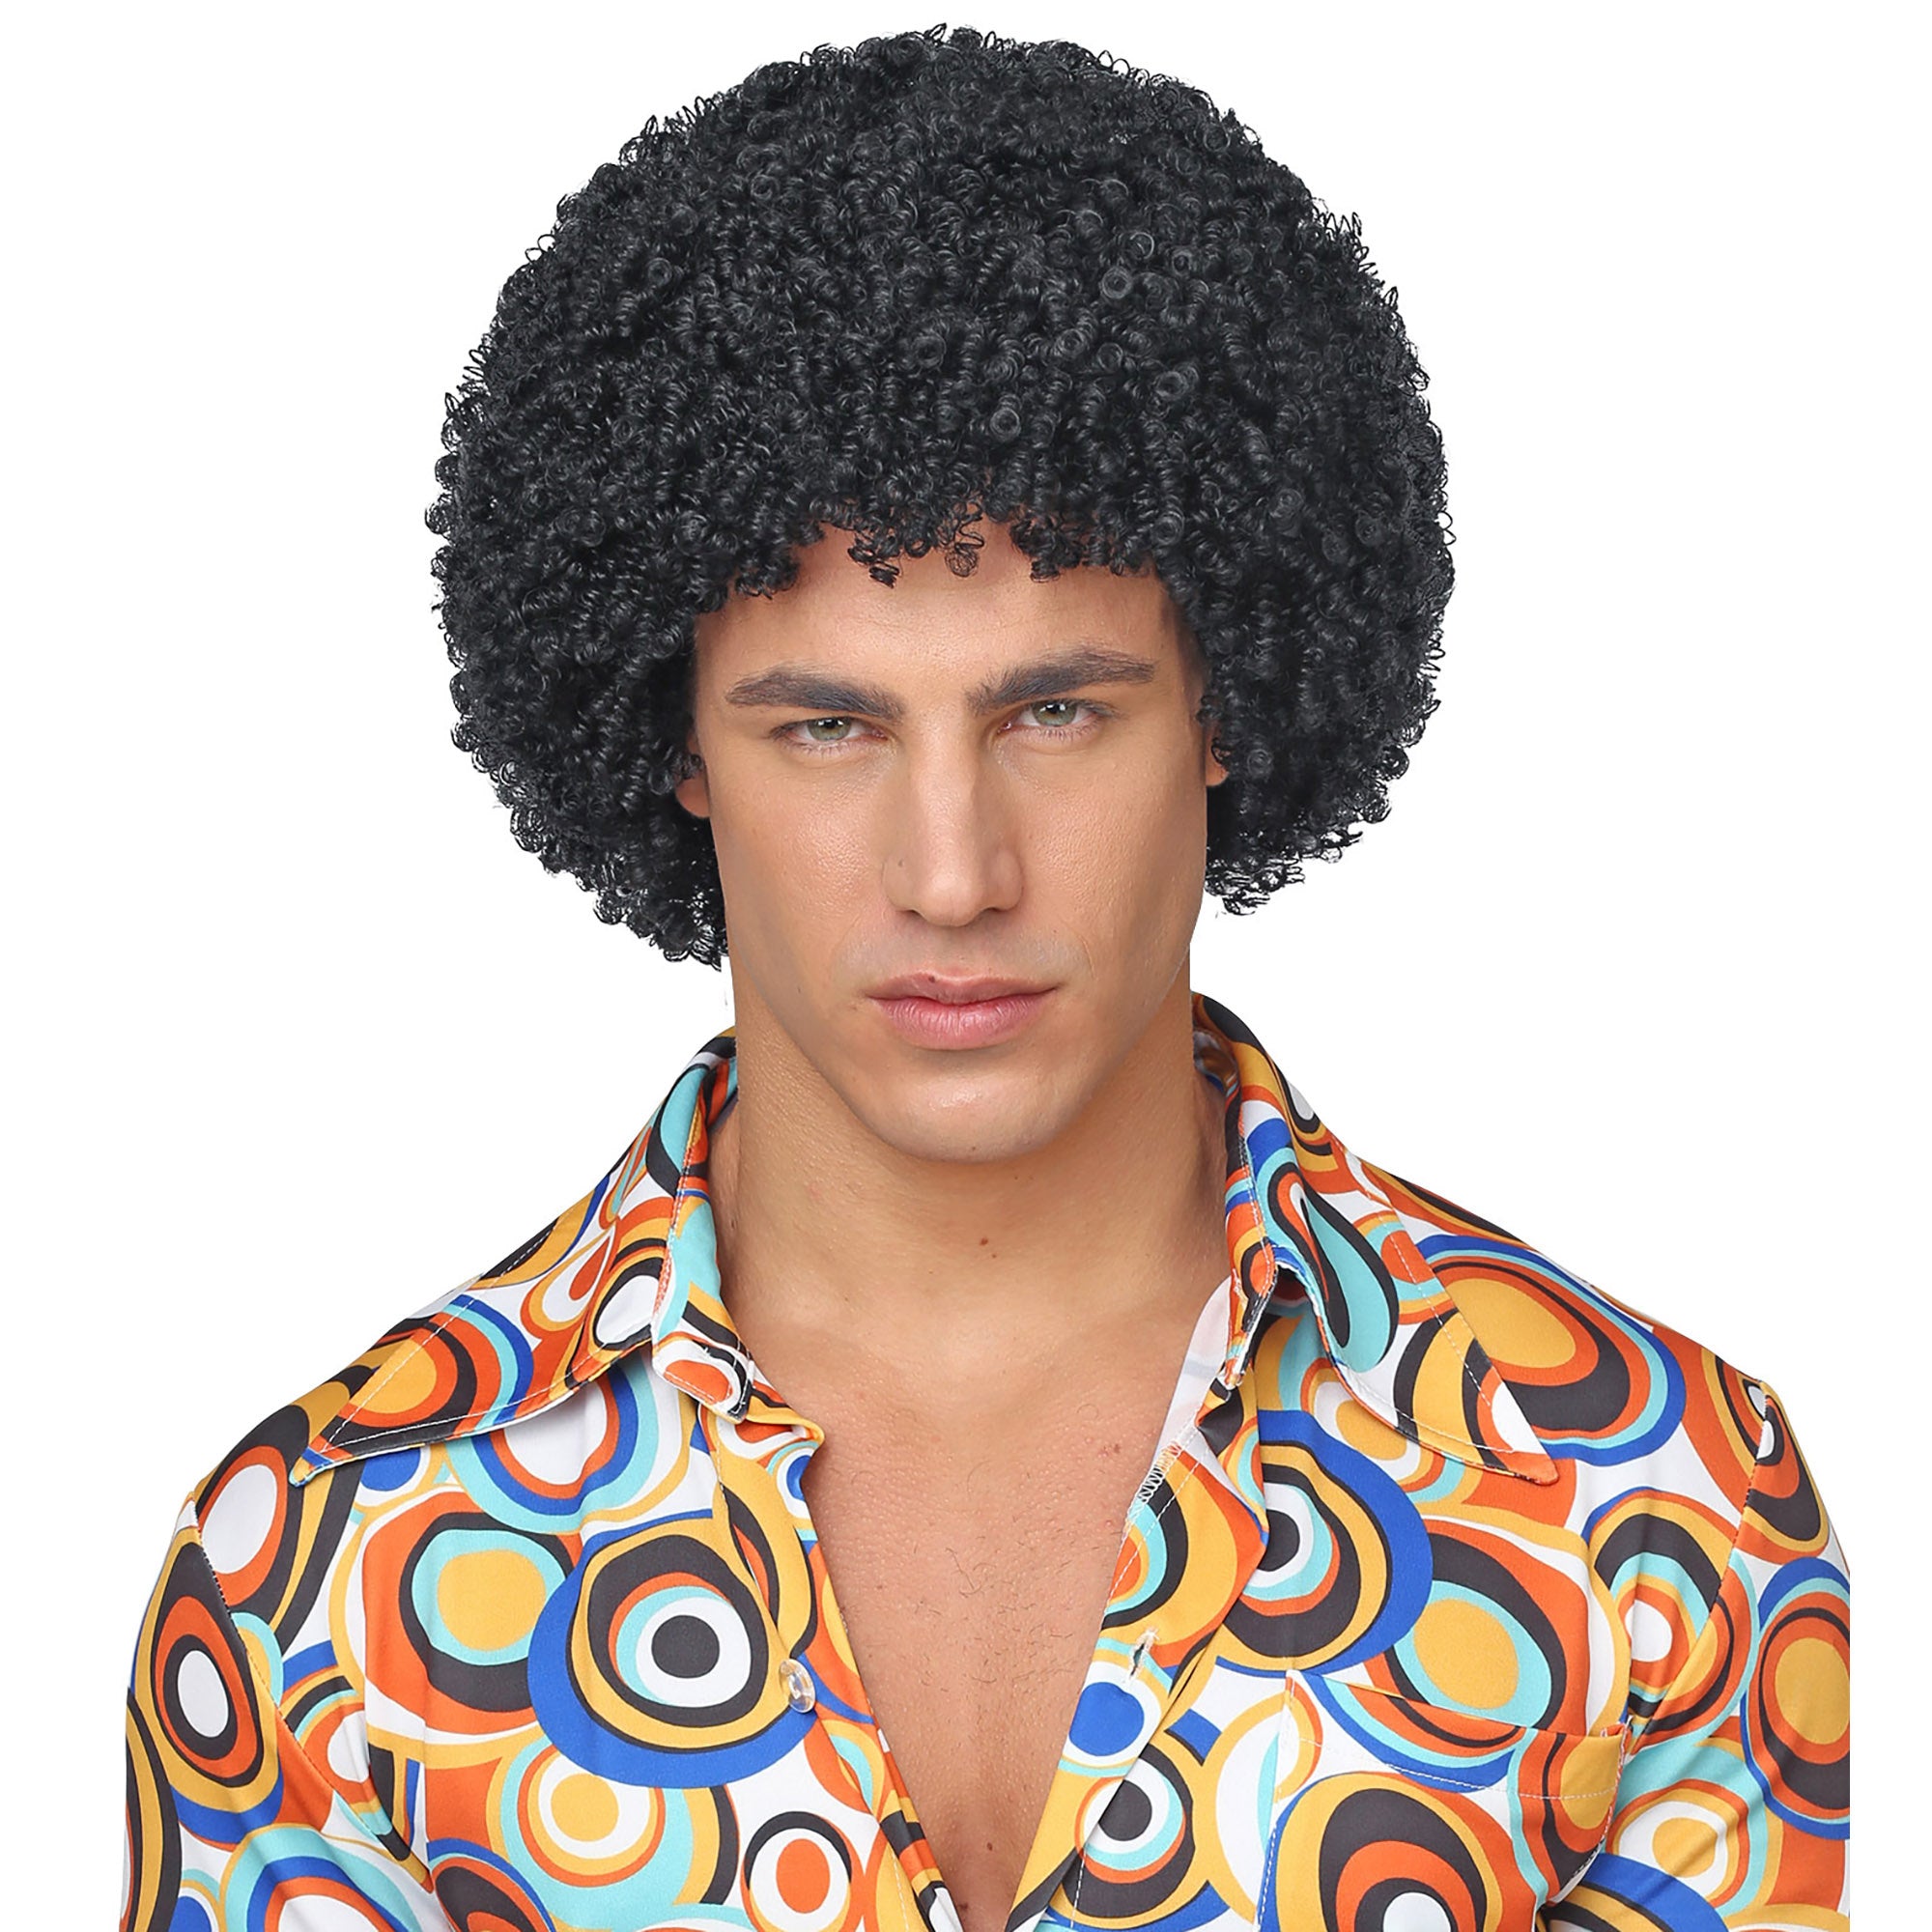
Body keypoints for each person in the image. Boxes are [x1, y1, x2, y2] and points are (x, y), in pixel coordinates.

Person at [120, 24, 1849, 1932]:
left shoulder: (1650, 1508)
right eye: (826, 730)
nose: (954, 875)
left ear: (1228, 705)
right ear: (674, 743)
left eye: (1054, 713)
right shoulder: (329, 1571)